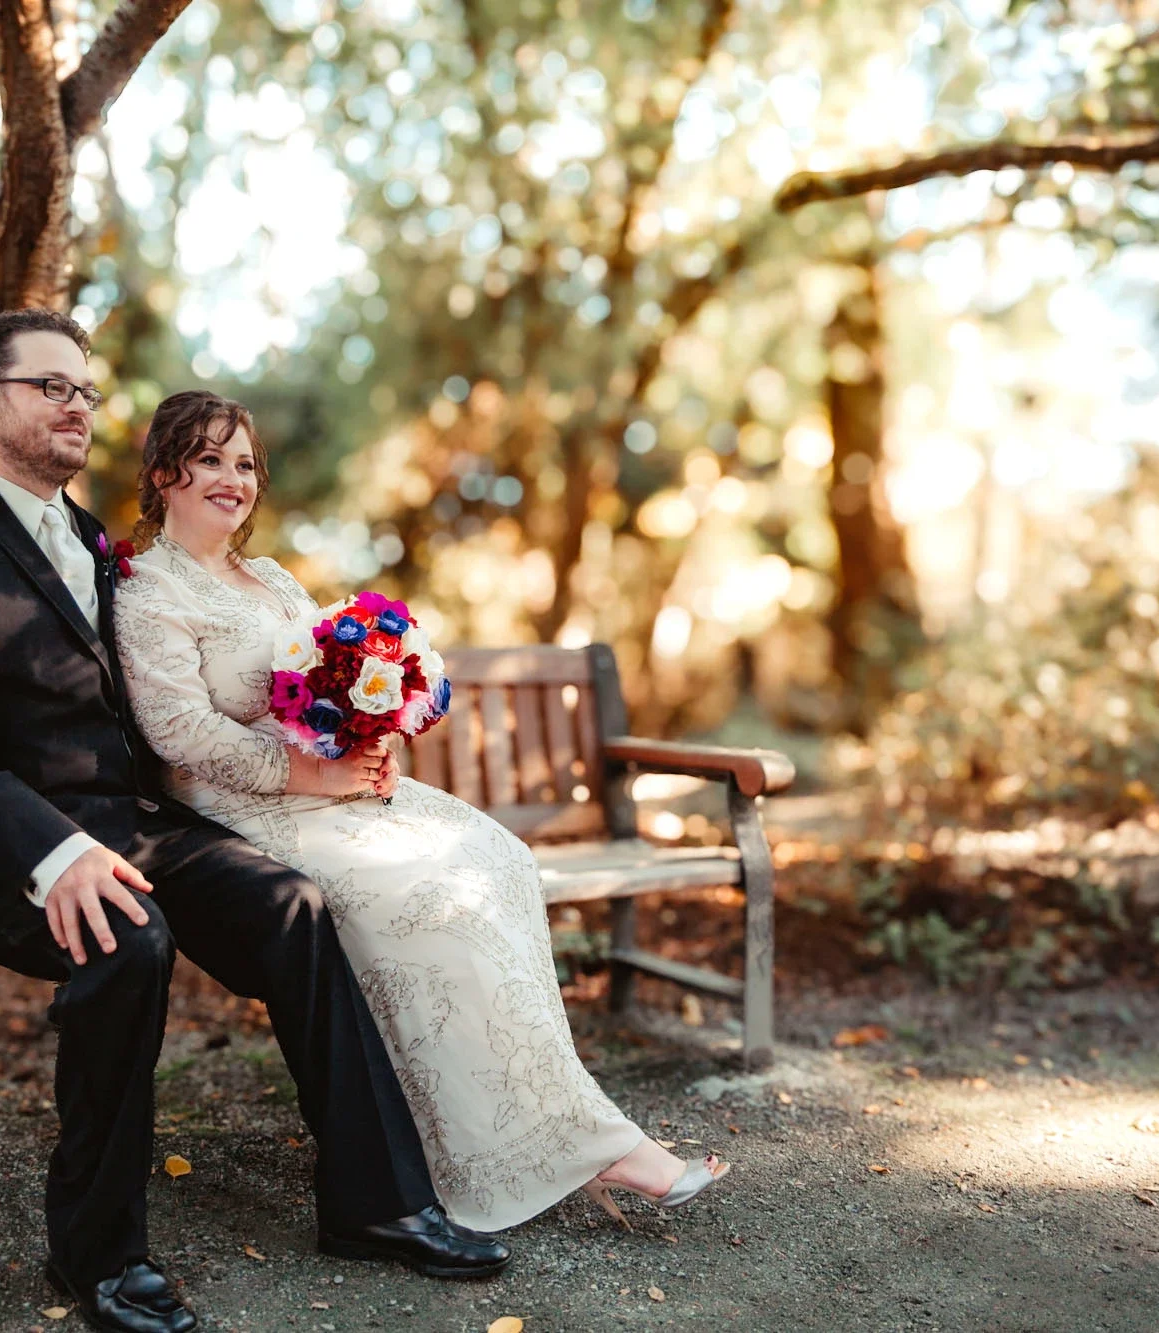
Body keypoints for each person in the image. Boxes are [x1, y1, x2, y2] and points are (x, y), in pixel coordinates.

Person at [0, 311, 509, 1333]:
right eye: (49, 385)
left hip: (129, 822)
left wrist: (320, 727)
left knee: (293, 905)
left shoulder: (97, 547)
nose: (75, 405)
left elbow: (163, 692)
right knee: (129, 938)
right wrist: (50, 851)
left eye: (84, 391)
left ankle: (375, 1204)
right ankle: (96, 1256)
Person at [111, 390, 729, 1236]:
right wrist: (308, 773)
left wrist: (372, 728)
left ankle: (546, 1129)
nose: (233, 478)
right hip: (244, 812)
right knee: (431, 895)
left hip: (333, 787)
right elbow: (178, 732)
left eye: (245, 462)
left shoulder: (273, 577)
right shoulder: (148, 590)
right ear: (161, 475)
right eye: (209, 459)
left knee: (500, 860)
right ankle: (573, 1148)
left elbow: (320, 684)